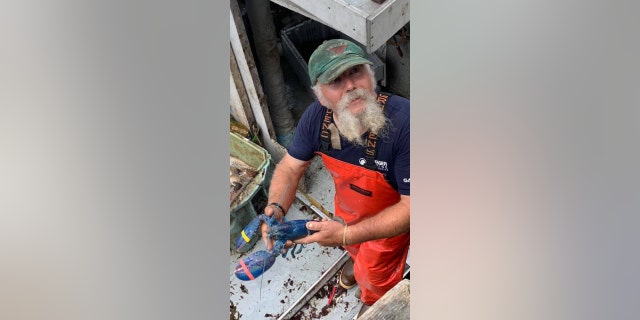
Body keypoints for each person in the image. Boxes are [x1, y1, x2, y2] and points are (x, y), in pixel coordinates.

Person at [261, 38, 410, 317]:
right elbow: (291, 168)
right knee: (354, 248)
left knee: (377, 274)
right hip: (347, 213)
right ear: (320, 95)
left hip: (390, 225)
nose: (351, 86)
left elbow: (411, 208)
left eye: (356, 72)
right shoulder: (316, 118)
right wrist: (276, 210)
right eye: (336, 81)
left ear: (371, 76)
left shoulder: (407, 124)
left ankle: (375, 300)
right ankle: (357, 260)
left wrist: (344, 233)